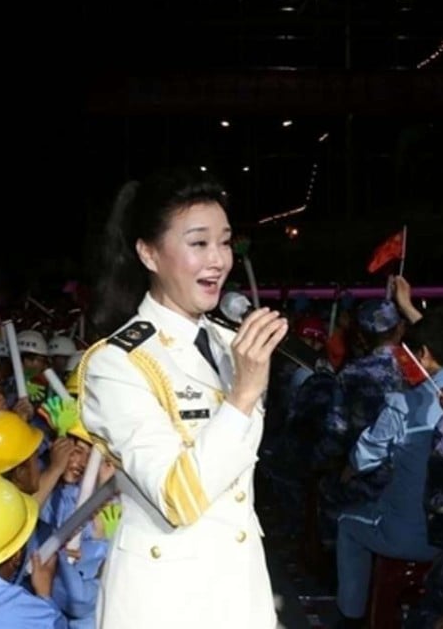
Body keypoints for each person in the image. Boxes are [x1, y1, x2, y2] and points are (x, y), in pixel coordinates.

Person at [81, 168, 288, 629]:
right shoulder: (117, 364)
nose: (219, 260)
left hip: (240, 590)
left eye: (226, 241)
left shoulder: (226, 342)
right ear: (149, 253)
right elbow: (178, 497)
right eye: (199, 243)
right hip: (167, 602)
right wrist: (243, 395)